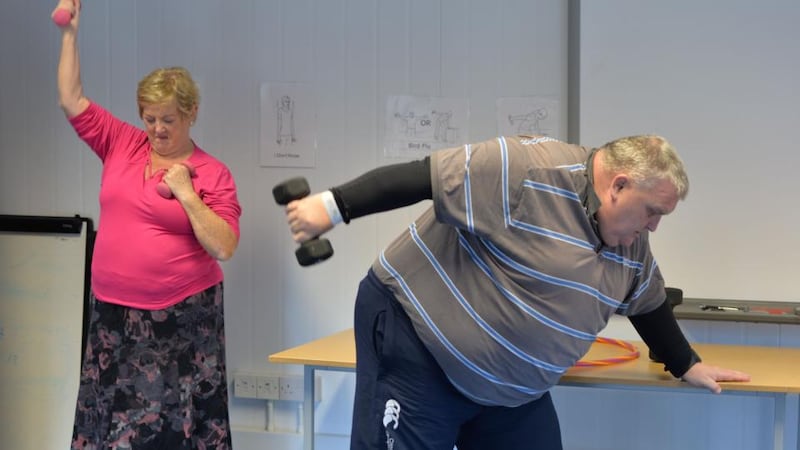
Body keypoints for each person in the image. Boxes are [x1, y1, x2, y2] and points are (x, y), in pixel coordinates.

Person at [283, 134, 751, 450]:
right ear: (619, 185)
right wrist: (328, 208)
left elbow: (647, 303)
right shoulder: (528, 170)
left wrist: (686, 363)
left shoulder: (630, 244)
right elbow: (420, 177)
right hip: (419, 346)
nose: (654, 226)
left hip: (513, 391)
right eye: (652, 211)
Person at [55, 1, 241, 448]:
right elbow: (71, 99)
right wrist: (69, 35)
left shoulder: (212, 172)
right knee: (104, 419)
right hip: (111, 311)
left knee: (173, 427)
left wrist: (187, 194)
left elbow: (224, 246)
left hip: (180, 320)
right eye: (149, 117)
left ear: (192, 112)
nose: (157, 129)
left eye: (168, 120)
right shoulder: (121, 142)